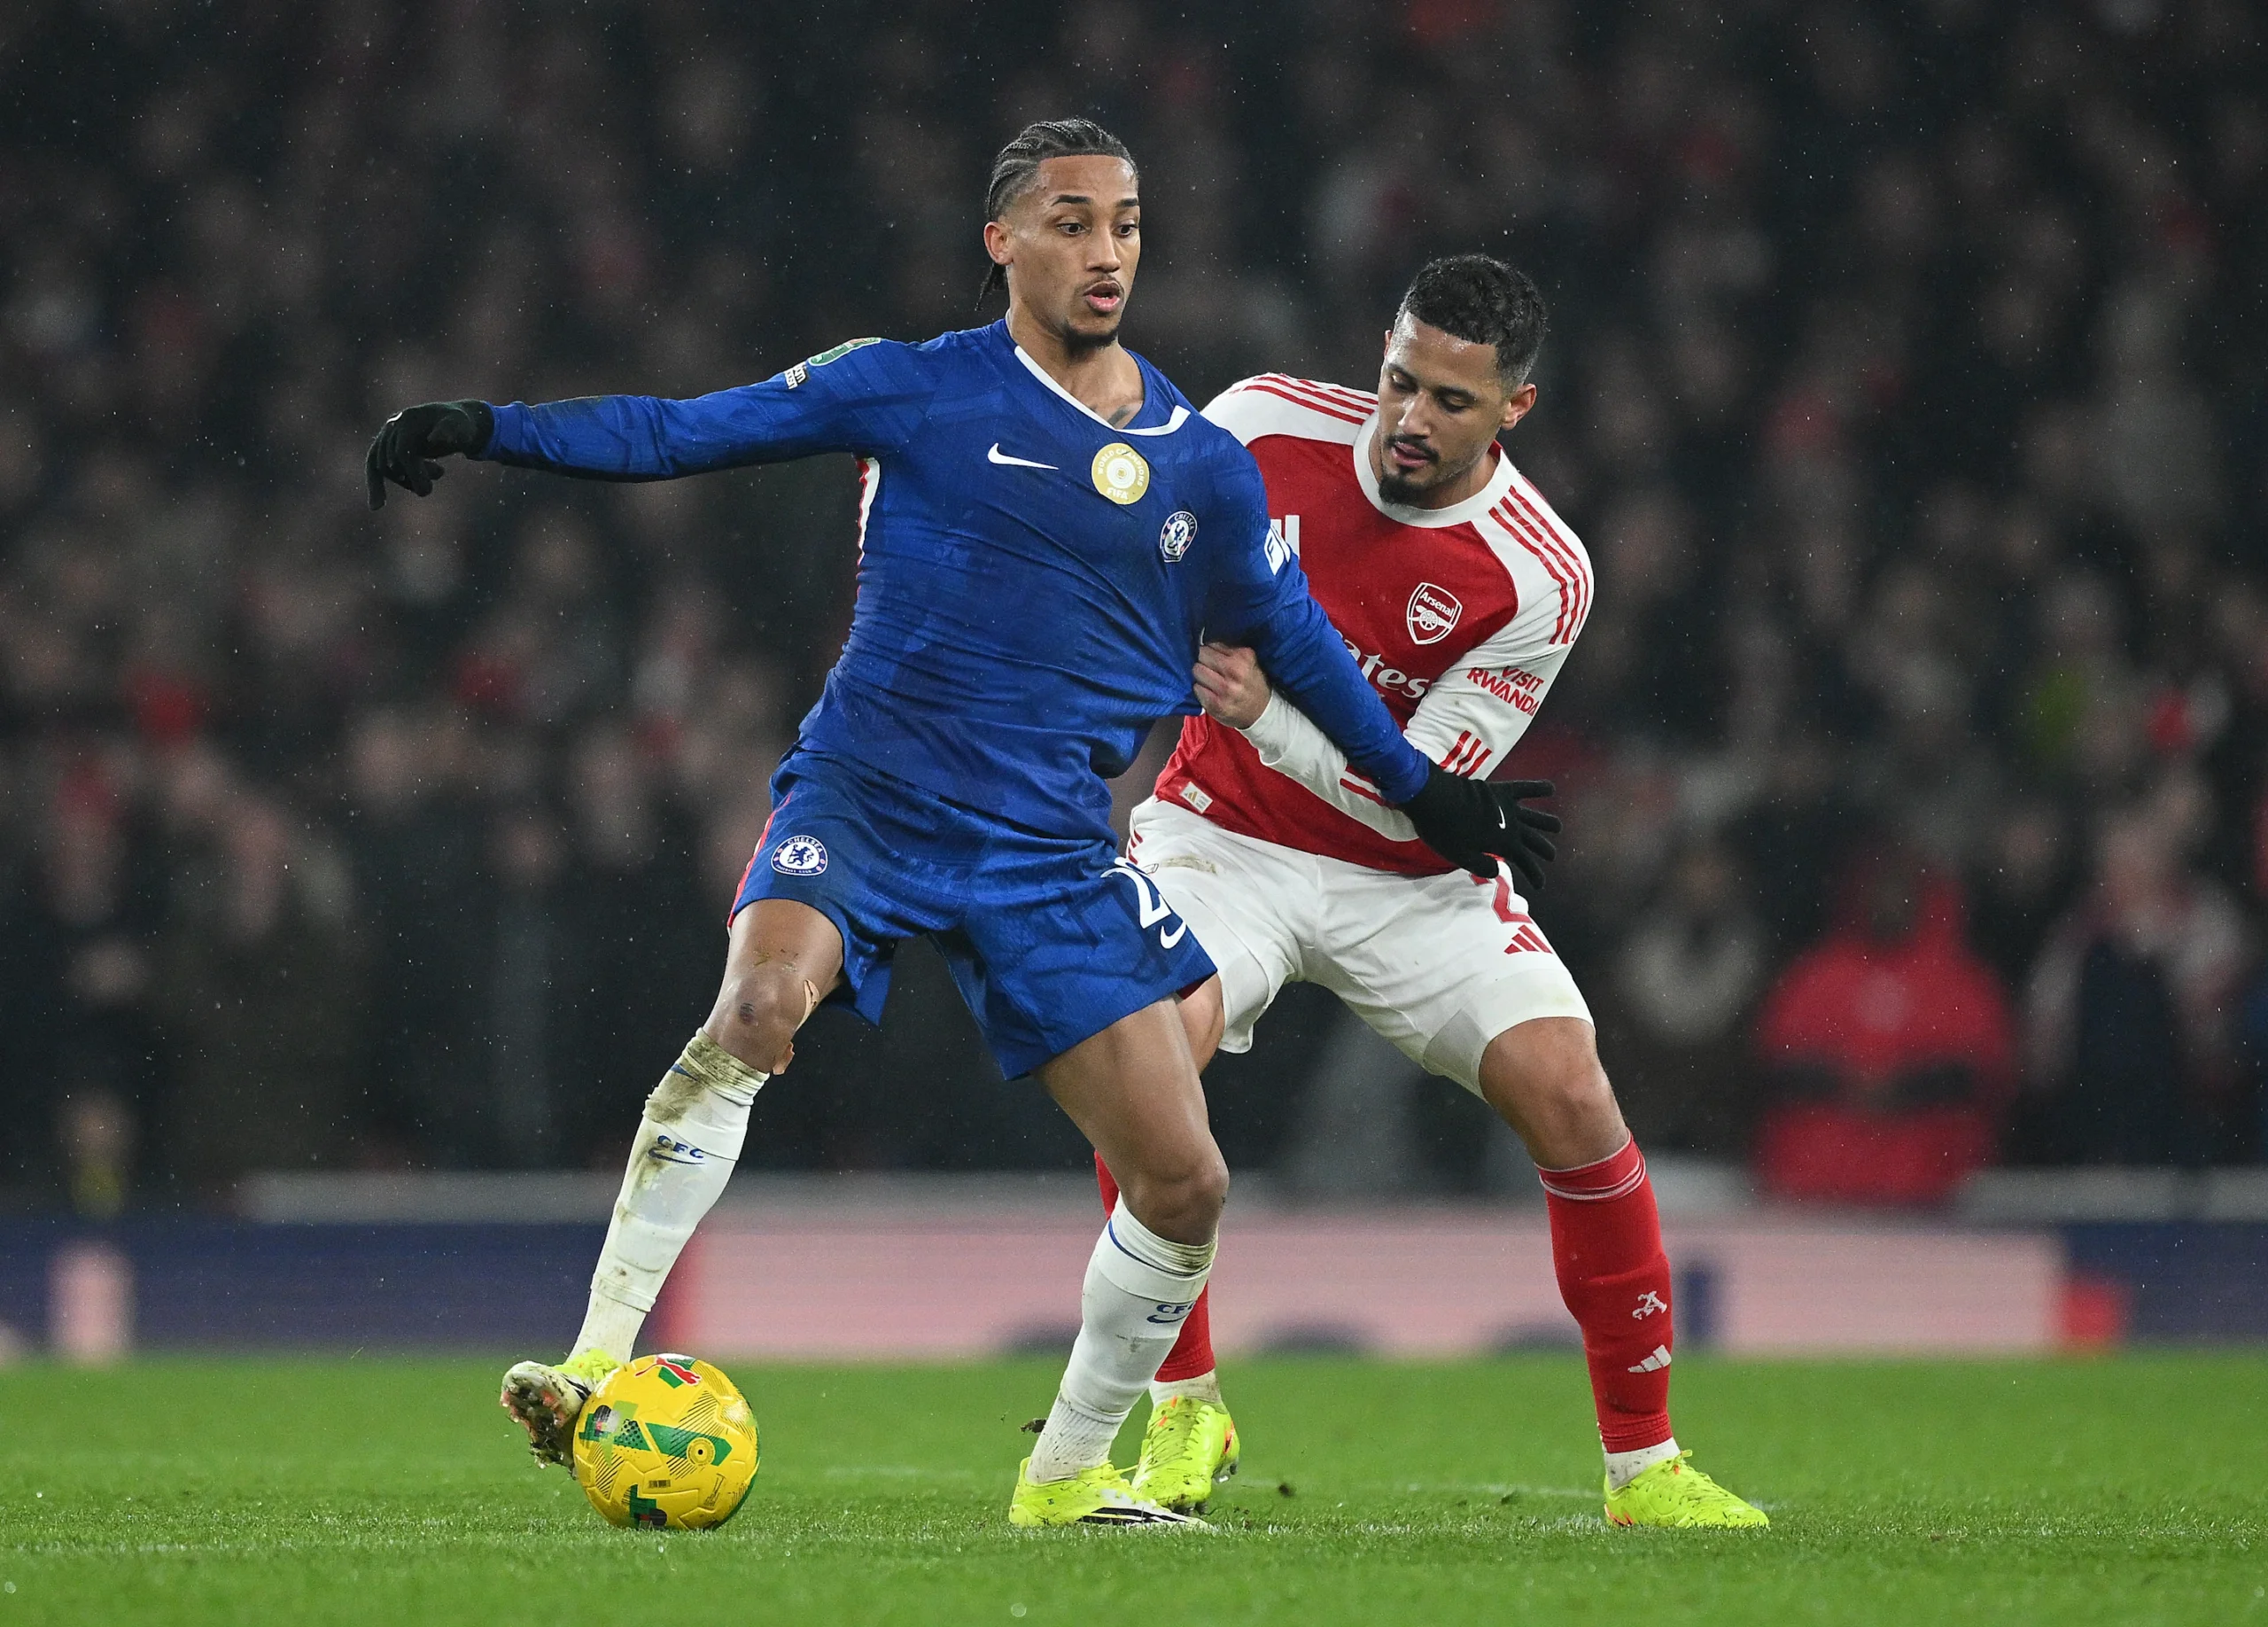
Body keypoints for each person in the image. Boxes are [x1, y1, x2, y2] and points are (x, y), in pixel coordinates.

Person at [365, 121, 1551, 1529]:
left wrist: (1426, 790)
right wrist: (487, 427)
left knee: (1185, 1182)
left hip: (1045, 850)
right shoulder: (913, 387)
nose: (1106, 252)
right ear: (1002, 241)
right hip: (868, 793)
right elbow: (681, 432)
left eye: (1124, 224)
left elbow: (1294, 640)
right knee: (757, 1008)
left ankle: (1068, 1477)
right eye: (1071, 221)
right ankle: (588, 1365)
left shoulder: (1200, 463)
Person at [1098, 255, 1767, 1529]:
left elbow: (1426, 796)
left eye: (1452, 402)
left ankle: (1646, 1467)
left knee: (1571, 1093)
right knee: (1139, 1049)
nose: (1409, 418)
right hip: (1222, 835)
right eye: (1400, 381)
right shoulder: (1260, 426)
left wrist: (1272, 718)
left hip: (1407, 879)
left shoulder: (1540, 572)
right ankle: (1184, 1407)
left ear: (1515, 407)